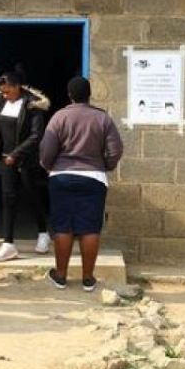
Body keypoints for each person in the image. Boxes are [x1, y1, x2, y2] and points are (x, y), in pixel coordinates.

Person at [38, 76, 124, 292]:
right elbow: (116, 149)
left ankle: (61, 276)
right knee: (90, 228)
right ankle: (88, 279)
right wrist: (104, 165)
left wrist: (49, 166)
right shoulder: (102, 119)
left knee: (63, 226)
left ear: (69, 95)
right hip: (94, 178)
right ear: (89, 94)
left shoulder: (59, 117)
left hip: (62, 176)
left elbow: (47, 149)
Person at [0, 72, 52, 262]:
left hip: (26, 159)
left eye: (7, 91)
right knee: (8, 198)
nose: (4, 95)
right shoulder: (1, 102)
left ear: (17, 87)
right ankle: (8, 243)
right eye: (2, 92)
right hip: (6, 159)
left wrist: (16, 154)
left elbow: (36, 135)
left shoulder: (32, 105)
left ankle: (43, 232)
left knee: (32, 195)